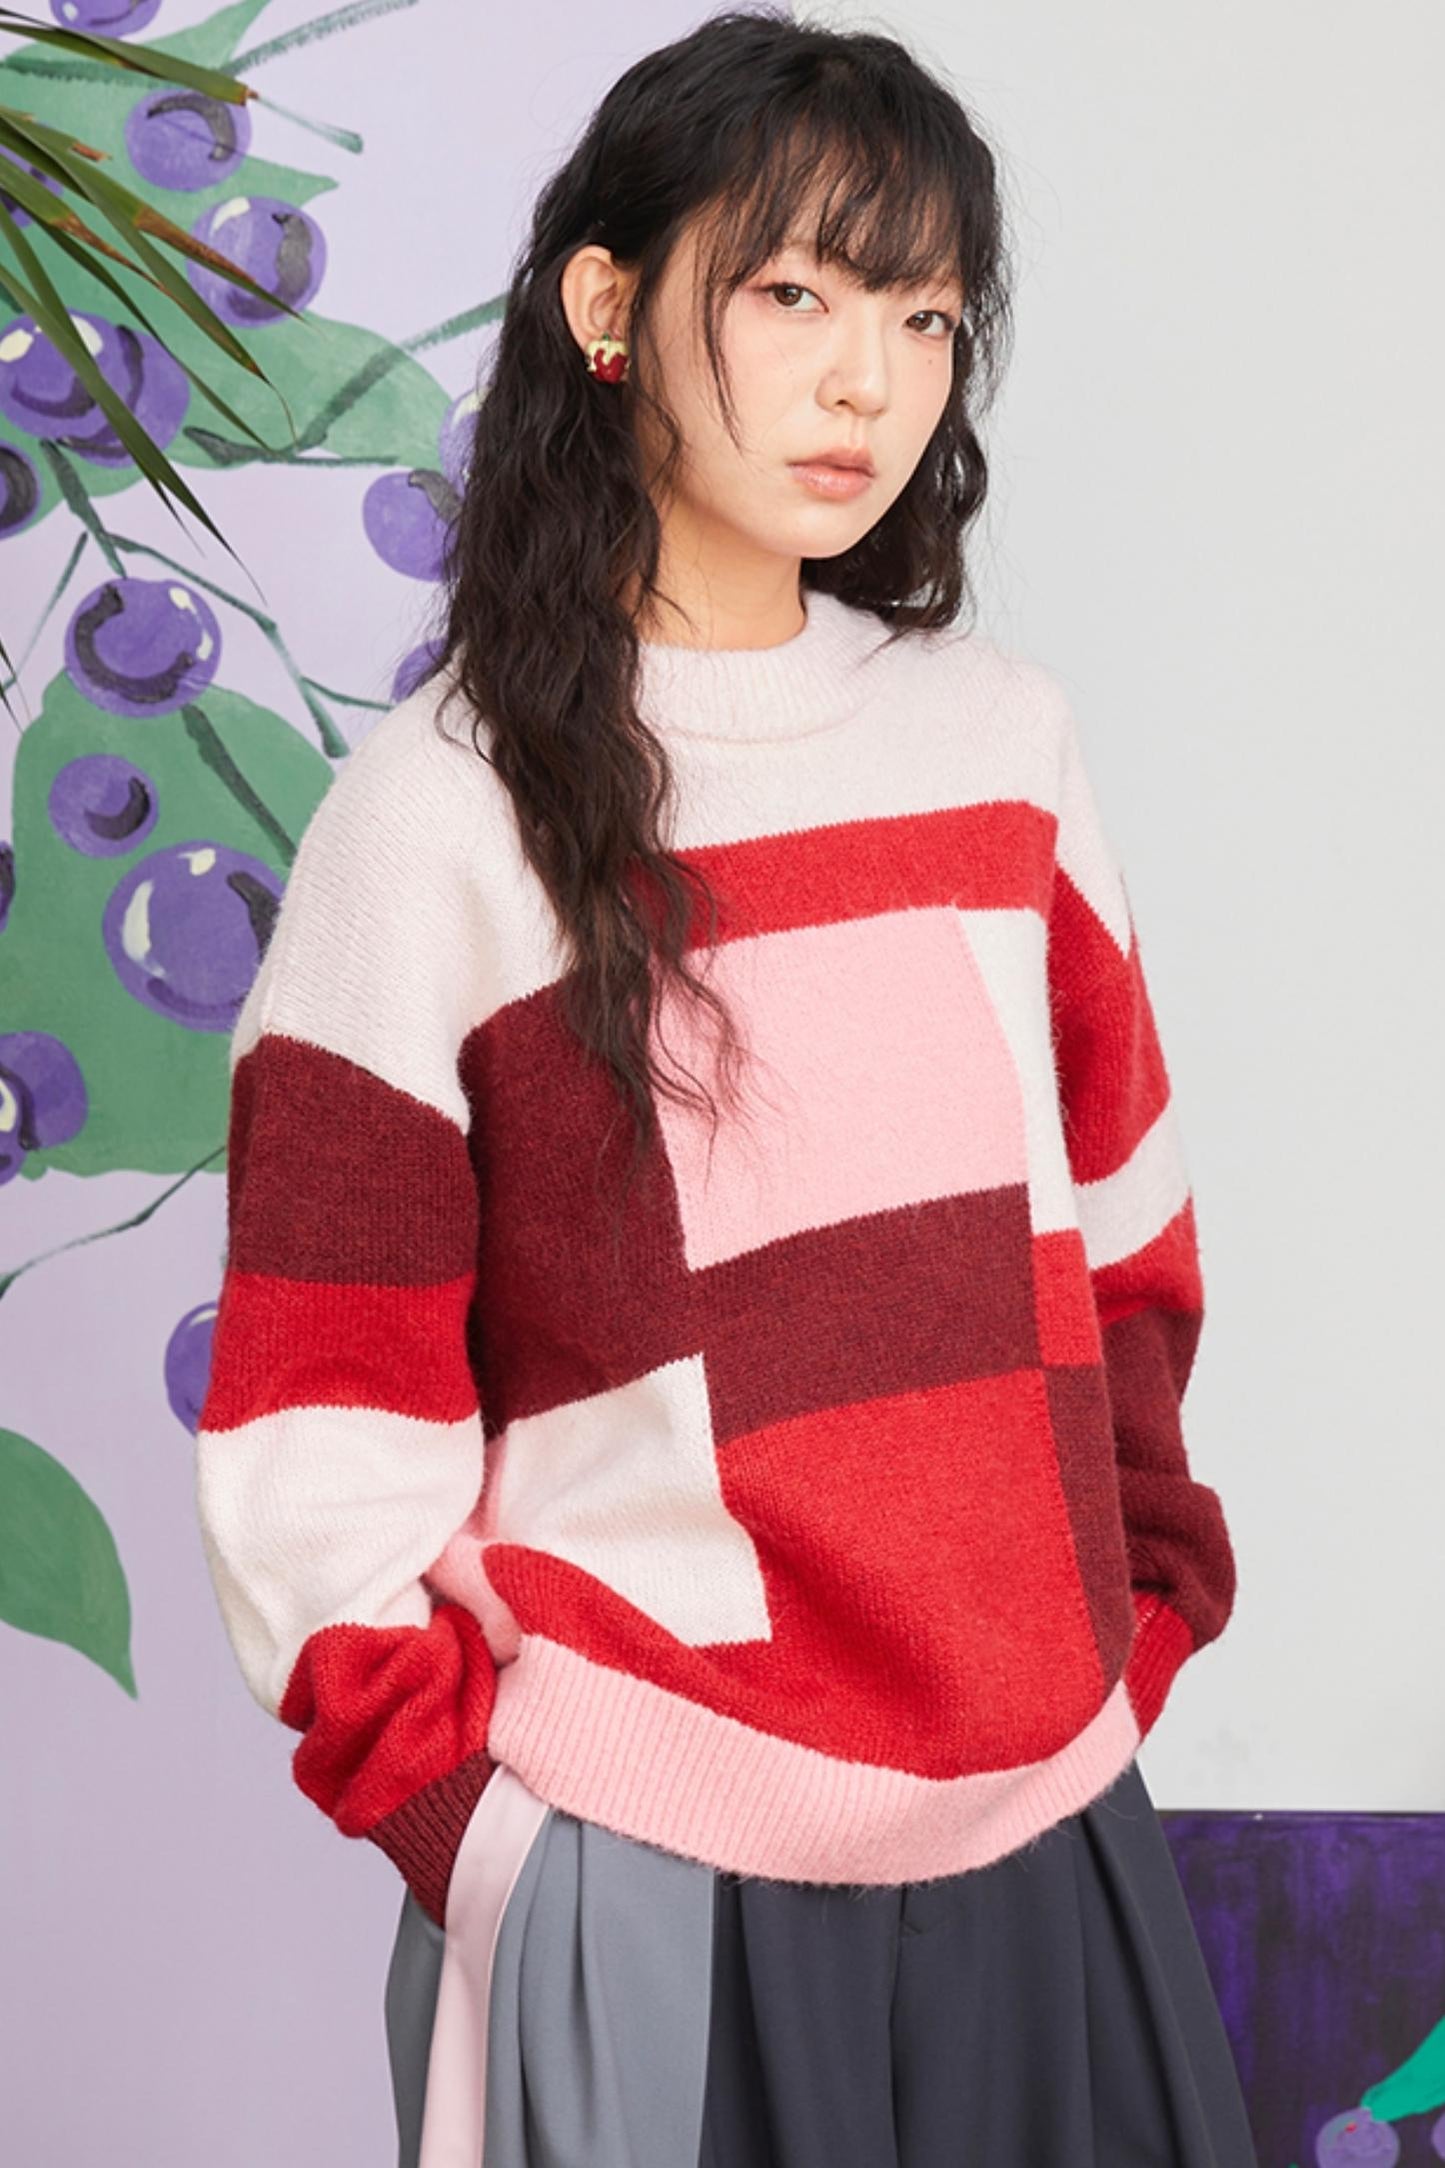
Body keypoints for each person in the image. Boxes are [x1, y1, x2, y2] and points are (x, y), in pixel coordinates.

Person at [194, 9, 1258, 2164]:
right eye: (793, 293)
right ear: (609, 307)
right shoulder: (442, 819)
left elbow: (1124, 1246)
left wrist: (1120, 1639)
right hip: (651, 1870)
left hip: (1048, 1836)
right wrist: (494, 1843)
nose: (869, 379)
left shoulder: (997, 746)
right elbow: (320, 1427)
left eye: (924, 316)